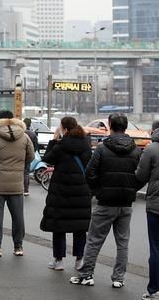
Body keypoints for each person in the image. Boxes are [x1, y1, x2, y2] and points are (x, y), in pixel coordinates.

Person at [70, 113, 142, 288]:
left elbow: (90, 173)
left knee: (95, 239)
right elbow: (141, 175)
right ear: (125, 127)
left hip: (105, 202)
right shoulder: (135, 150)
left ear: (110, 125)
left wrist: (98, 191)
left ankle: (86, 275)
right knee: (123, 242)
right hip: (126, 204)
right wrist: (132, 189)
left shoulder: (103, 148)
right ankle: (118, 278)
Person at [0, 110, 34, 257]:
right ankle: (18, 246)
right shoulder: (24, 136)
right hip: (16, 183)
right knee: (18, 216)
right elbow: (31, 156)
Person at [39, 117, 92, 271]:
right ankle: (79, 260)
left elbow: (47, 159)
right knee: (80, 227)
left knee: (59, 226)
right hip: (80, 191)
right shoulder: (85, 143)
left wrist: (54, 140)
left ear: (65, 129)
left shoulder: (61, 145)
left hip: (60, 191)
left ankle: (59, 260)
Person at [136, 121, 159, 300]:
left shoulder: (151, 150)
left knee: (156, 248)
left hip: (156, 206)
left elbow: (141, 176)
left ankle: (154, 290)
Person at [23, 118, 39, 196]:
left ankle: (18, 188)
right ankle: (26, 190)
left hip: (20, 155)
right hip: (29, 156)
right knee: (26, 172)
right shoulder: (33, 134)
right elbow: (36, 146)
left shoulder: (21, 133)